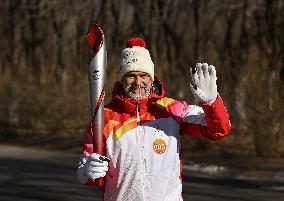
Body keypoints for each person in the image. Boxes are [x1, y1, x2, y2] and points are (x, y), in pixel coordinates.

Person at [77, 37, 231, 201]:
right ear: (121, 79)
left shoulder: (173, 110)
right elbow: (89, 170)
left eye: (143, 75)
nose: (138, 82)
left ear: (151, 78)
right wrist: (87, 171)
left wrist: (211, 103)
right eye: (131, 76)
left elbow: (219, 130)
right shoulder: (105, 117)